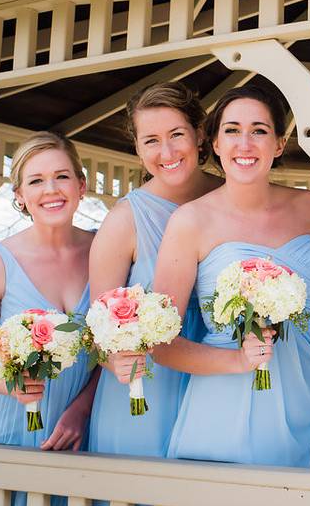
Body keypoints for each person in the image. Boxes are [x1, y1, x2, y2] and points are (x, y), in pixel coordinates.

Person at [152, 85, 310, 468]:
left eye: (259, 130)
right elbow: (161, 344)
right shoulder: (190, 222)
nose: (244, 143)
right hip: (228, 401)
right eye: (231, 130)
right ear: (213, 142)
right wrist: (238, 362)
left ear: (279, 144)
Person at [0, 132, 95, 506]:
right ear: (19, 195)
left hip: (85, 438)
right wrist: (10, 385)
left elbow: (114, 346)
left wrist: (84, 408)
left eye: (62, 176)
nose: (51, 189)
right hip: (13, 435)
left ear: (81, 185)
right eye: (36, 180)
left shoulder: (105, 250)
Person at [86, 82, 222, 458]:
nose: (166, 152)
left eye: (177, 134)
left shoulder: (232, 199)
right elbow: (98, 327)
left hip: (224, 386)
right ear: (137, 148)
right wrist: (116, 359)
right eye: (151, 140)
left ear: (198, 134)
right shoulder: (125, 220)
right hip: (146, 392)